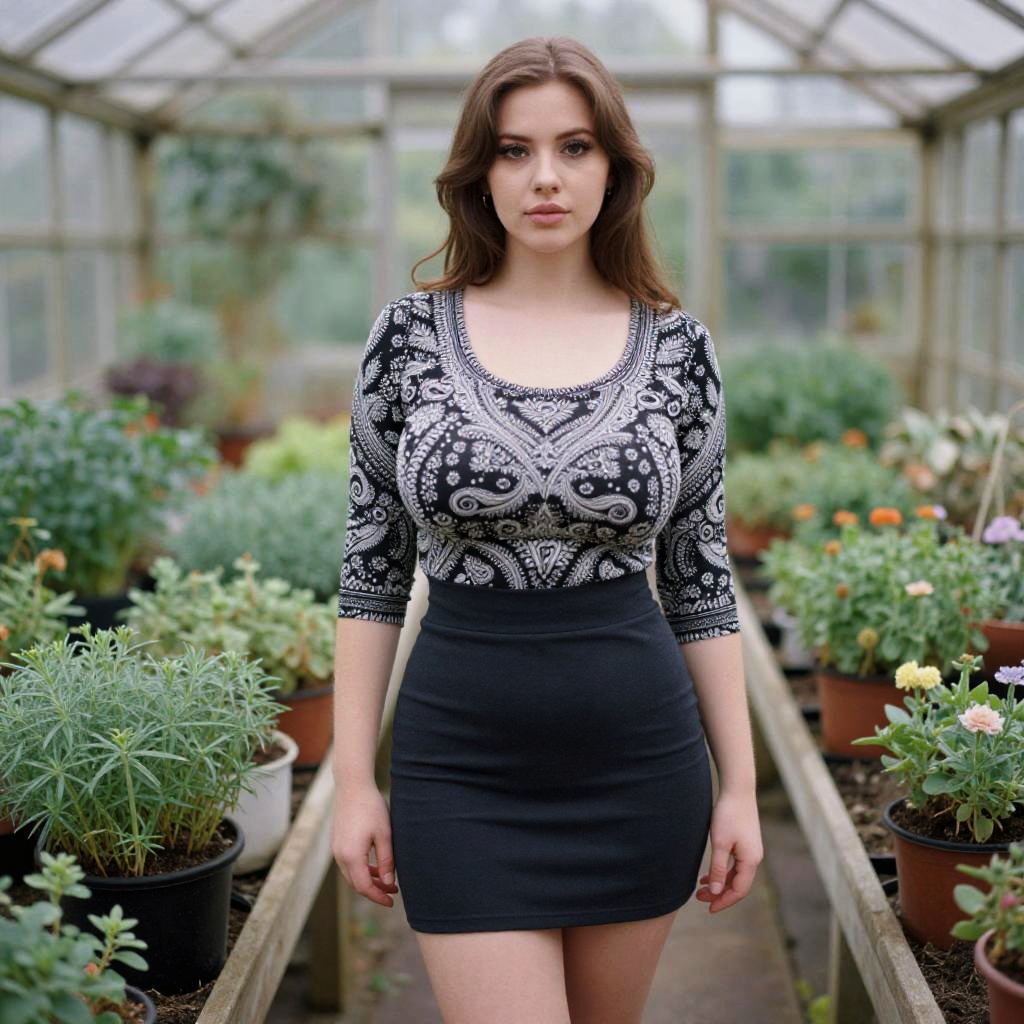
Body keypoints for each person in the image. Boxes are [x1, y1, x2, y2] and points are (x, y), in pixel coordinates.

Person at [331, 34, 763, 1024]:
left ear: (614, 167)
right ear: (478, 172)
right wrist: (353, 781)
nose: (545, 178)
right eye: (514, 150)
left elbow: (700, 583)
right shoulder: (406, 340)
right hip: (459, 765)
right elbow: (370, 572)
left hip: (640, 764)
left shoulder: (677, 350)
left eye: (574, 147)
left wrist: (738, 786)